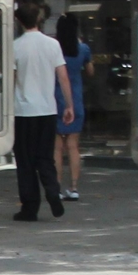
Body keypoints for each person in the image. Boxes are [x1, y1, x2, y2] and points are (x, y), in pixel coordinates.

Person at [9, 4, 70, 221]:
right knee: (45, 157)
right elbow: (62, 76)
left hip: (23, 111)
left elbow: (11, 79)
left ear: (19, 21)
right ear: (39, 19)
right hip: (47, 109)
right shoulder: (52, 45)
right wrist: (68, 105)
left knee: (25, 161)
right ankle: (53, 191)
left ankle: (30, 207)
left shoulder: (15, 47)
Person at [54, 12, 91, 201]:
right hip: (75, 101)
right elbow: (91, 71)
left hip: (55, 101)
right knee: (73, 146)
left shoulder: (54, 49)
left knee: (57, 148)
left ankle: (57, 188)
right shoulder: (83, 49)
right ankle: (74, 187)